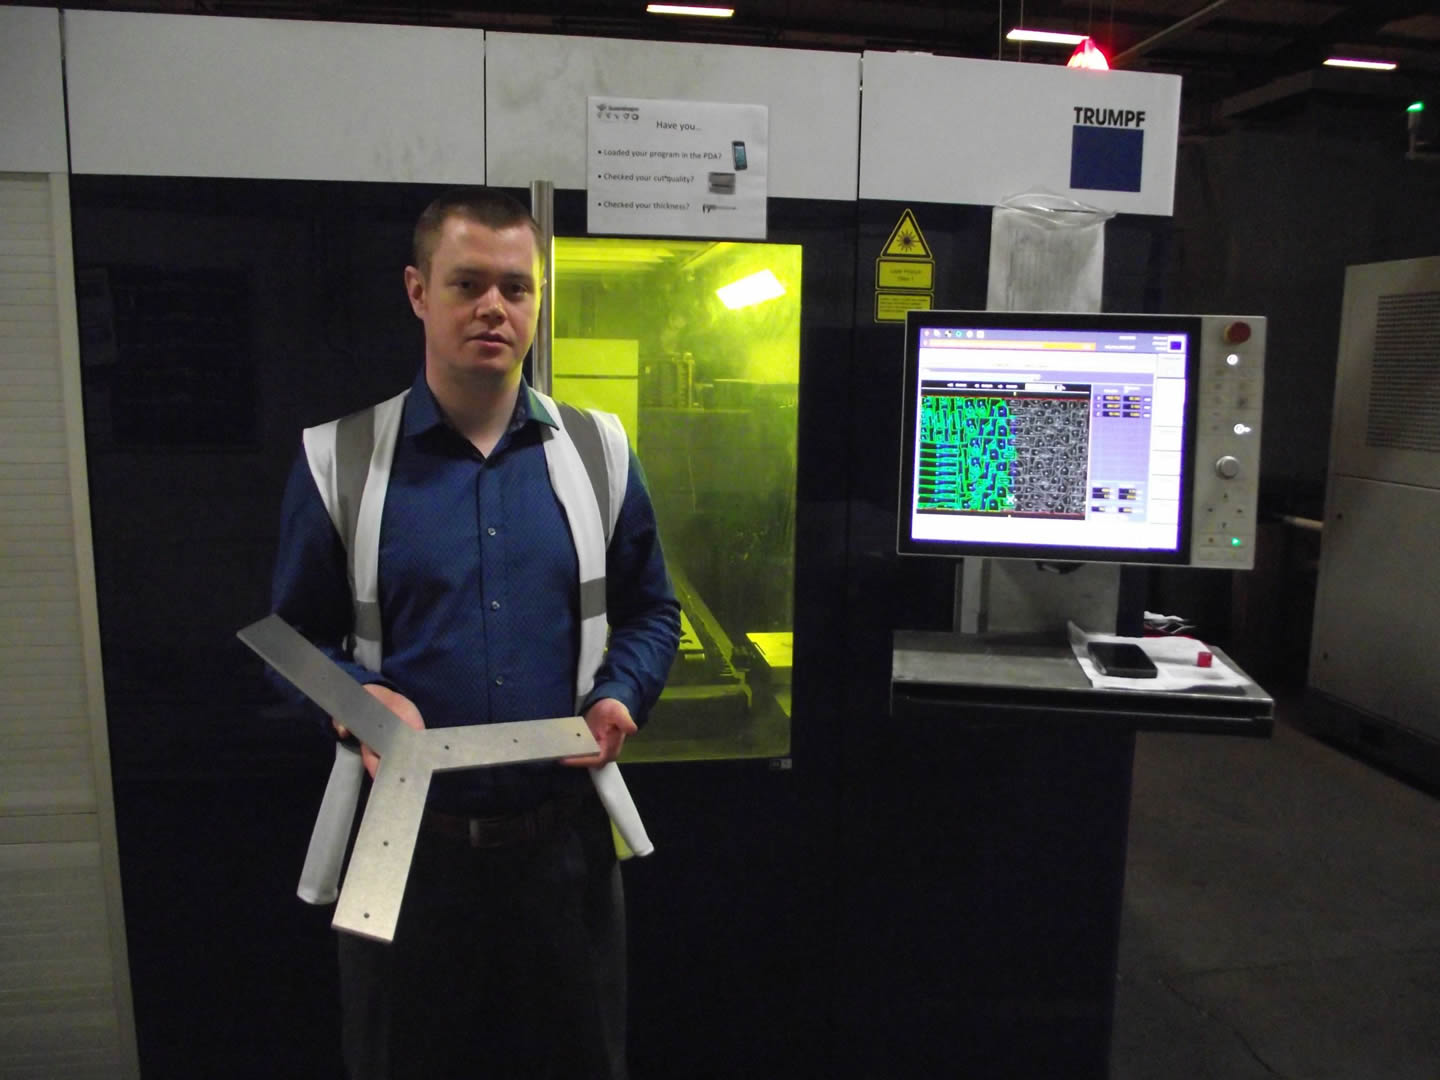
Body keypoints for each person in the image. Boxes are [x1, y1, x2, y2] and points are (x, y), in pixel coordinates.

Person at [269, 187, 681, 1079]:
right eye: (467, 284)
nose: (494, 307)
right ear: (419, 292)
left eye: (515, 287)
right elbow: (293, 641)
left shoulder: (599, 452)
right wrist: (359, 702)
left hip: (564, 847)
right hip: (404, 849)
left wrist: (621, 693)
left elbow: (654, 610)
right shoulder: (338, 460)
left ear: (537, 301)